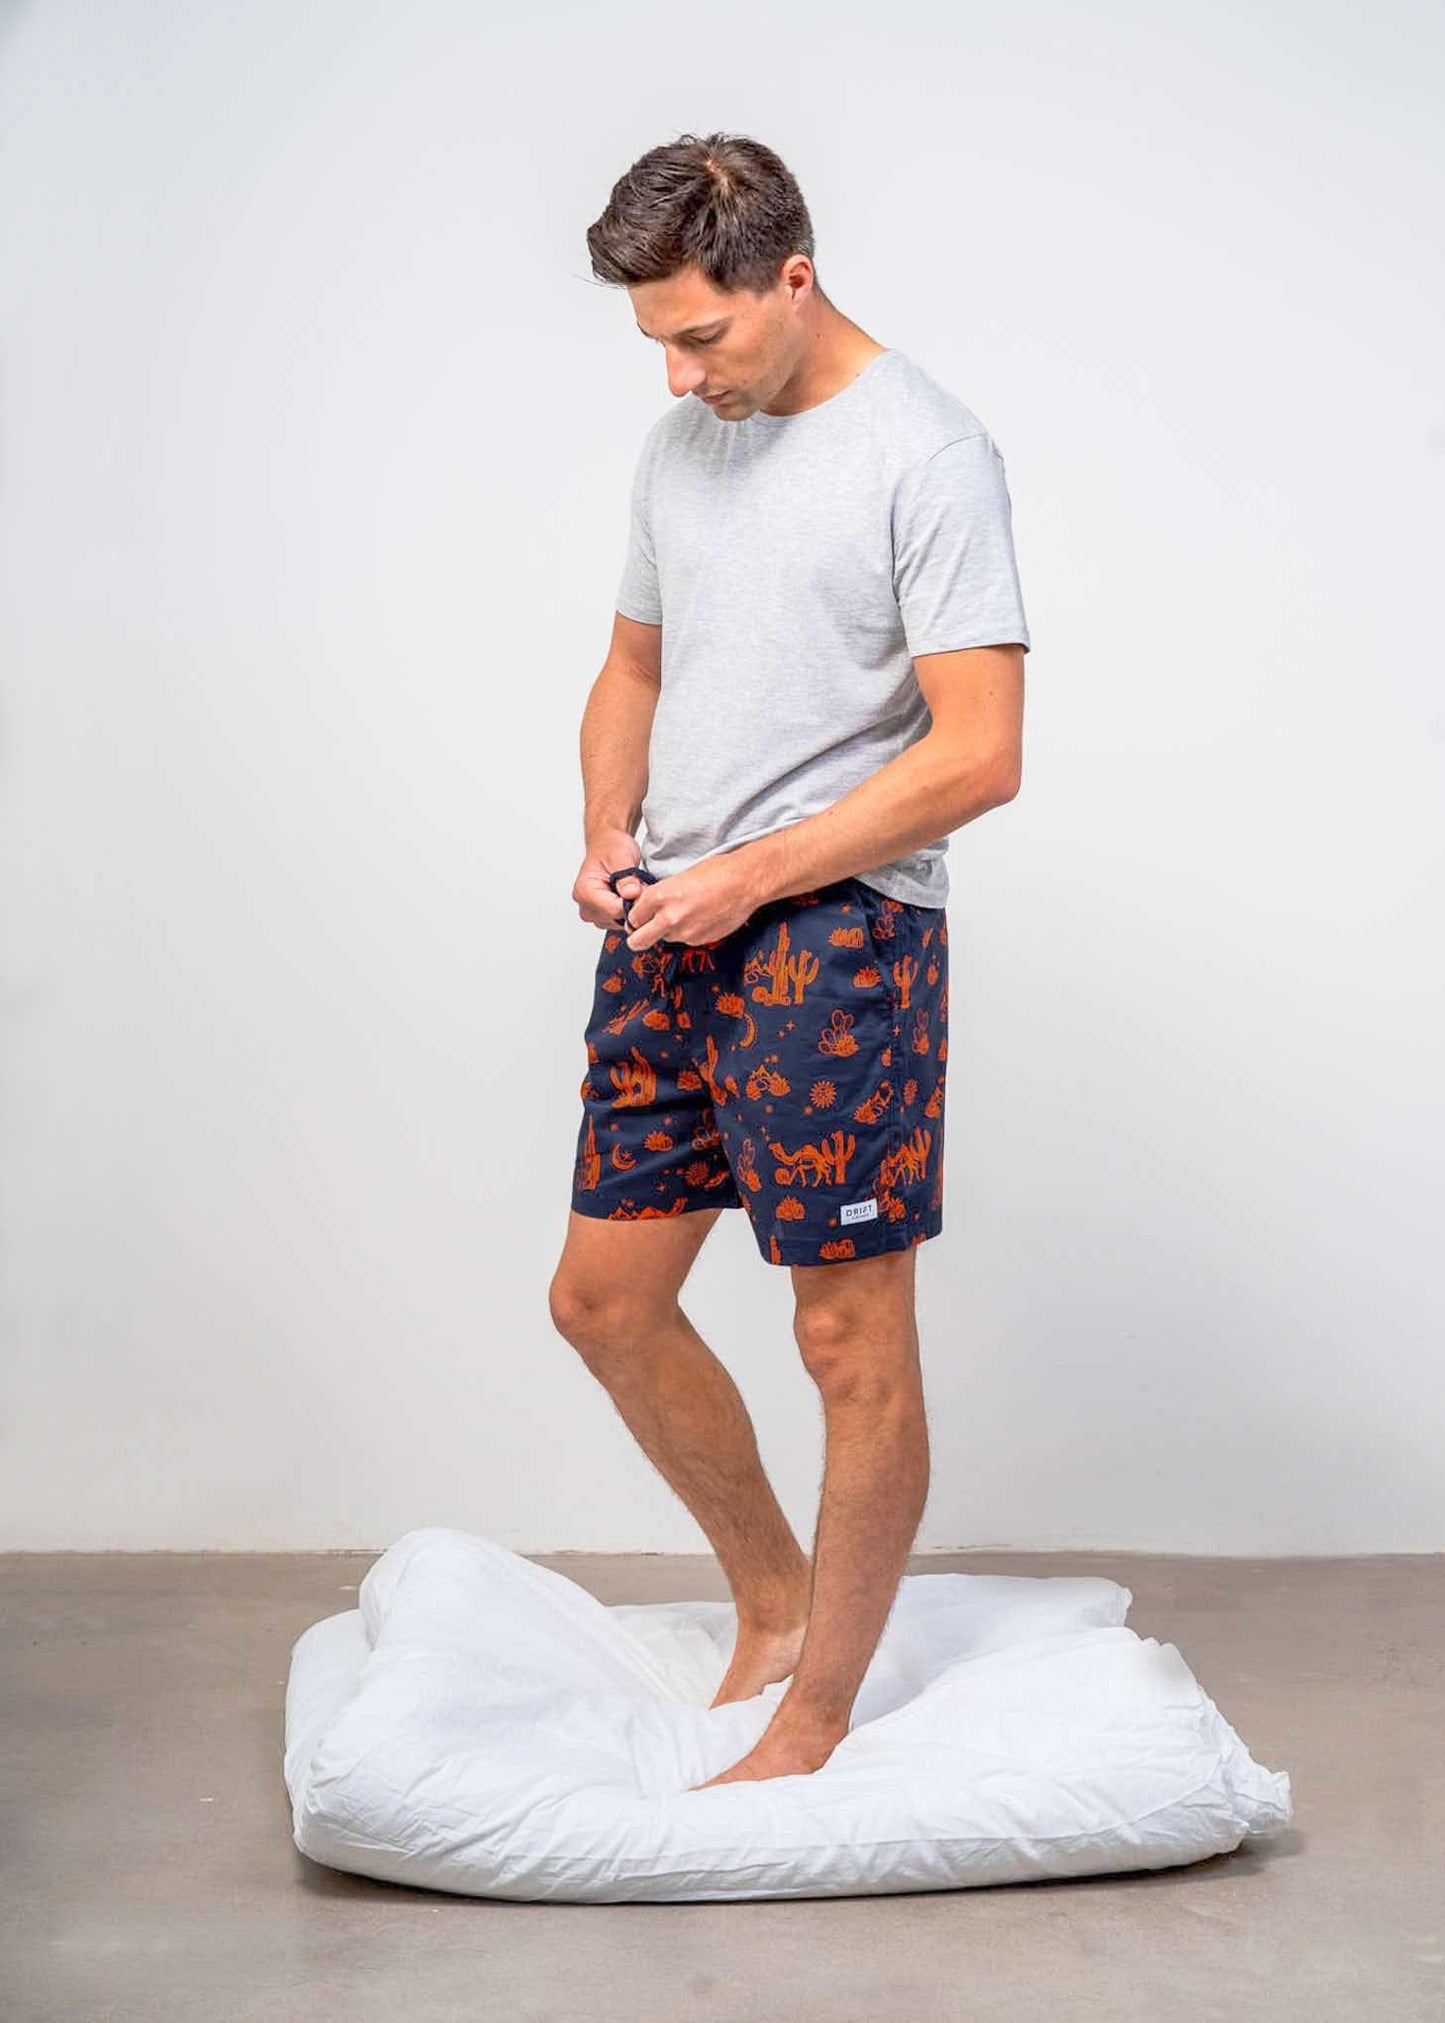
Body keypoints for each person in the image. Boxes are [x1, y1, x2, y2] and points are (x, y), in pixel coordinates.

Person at [548, 131, 1031, 1789]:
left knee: (846, 1341)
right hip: (667, 919)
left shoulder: (926, 453)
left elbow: (979, 752)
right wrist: (607, 831)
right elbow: (631, 666)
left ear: (793, 277)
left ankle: (816, 1718)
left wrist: (749, 875)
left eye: (702, 335)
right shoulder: (683, 445)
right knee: (602, 1303)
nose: (680, 376)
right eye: (657, 343)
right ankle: (771, 1602)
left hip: (837, 936)